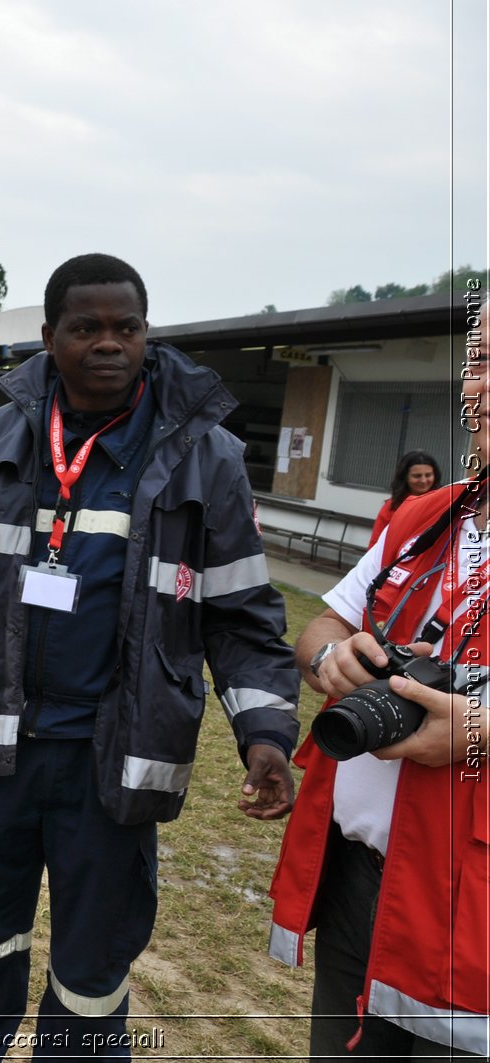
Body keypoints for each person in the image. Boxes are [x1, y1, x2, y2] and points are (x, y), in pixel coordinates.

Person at [0, 253, 300, 1060]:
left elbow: (242, 617)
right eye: (87, 327)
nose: (109, 343)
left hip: (115, 765)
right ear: (49, 337)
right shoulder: (1, 438)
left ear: (147, 336)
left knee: (92, 970)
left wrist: (266, 734)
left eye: (127, 328)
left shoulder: (203, 457)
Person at [267, 371, 487, 1057]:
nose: (479, 385)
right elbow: (321, 626)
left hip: (472, 904)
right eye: (478, 361)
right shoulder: (431, 515)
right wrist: (333, 659)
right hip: (360, 876)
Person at [368, 448, 442, 547]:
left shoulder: (443, 503)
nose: (423, 480)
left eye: (428, 475)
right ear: (405, 477)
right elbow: (375, 545)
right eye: (417, 476)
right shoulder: (392, 506)